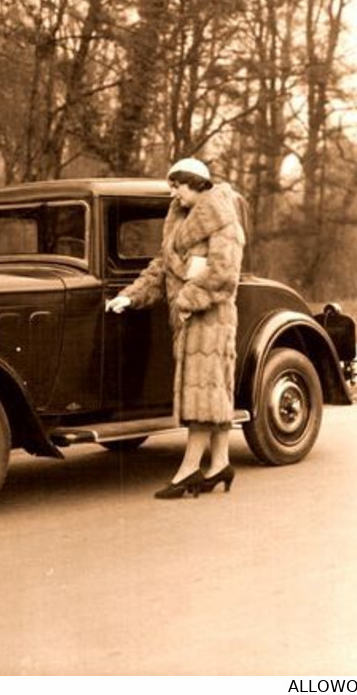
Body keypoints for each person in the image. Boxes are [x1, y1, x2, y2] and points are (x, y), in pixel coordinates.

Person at [106, 157, 246, 499]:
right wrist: (131, 296)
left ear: (195, 183)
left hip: (210, 319)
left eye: (177, 185)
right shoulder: (179, 218)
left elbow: (224, 275)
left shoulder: (224, 221)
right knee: (212, 392)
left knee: (203, 394)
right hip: (191, 318)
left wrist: (185, 301)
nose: (173, 193)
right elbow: (161, 266)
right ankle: (219, 464)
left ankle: (188, 471)